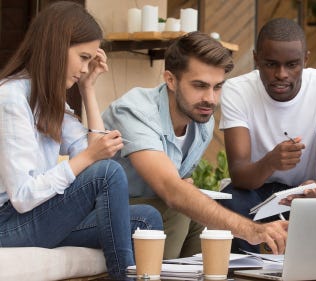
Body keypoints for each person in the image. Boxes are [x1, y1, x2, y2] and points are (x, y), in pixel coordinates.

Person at [0, 2, 163, 279]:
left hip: (38, 217)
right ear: (56, 47)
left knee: (147, 219)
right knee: (107, 173)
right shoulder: (11, 98)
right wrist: (88, 158)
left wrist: (88, 89)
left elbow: (94, 154)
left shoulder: (49, 100)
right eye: (83, 57)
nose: (85, 68)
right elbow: (23, 197)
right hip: (9, 224)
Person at [102, 31, 288, 259]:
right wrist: (252, 230)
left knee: (206, 221)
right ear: (170, 80)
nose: (210, 98)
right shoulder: (134, 112)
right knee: (179, 209)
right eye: (200, 85)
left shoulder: (201, 121)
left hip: (149, 207)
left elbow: (178, 184)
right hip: (102, 211)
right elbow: (171, 191)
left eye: (217, 87)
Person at [218, 18, 316, 253]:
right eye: (271, 64)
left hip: (305, 192)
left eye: (292, 65)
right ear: (256, 59)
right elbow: (240, 175)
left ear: (305, 60)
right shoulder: (237, 90)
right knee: (228, 203)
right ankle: (244, 272)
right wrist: (271, 162)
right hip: (254, 191)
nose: (281, 74)